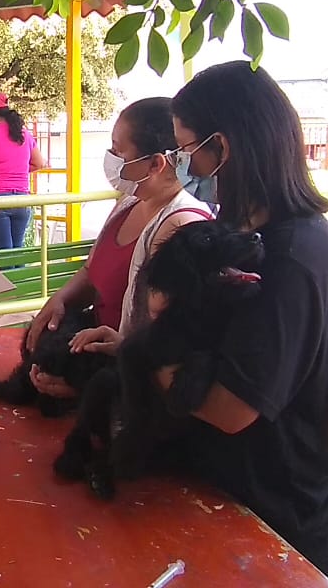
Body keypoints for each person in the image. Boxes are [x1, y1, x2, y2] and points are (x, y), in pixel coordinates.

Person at [165, 62, 328, 585]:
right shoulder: (244, 233)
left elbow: (230, 407)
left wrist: (145, 362)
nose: (185, 165)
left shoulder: (291, 255)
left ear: (223, 148)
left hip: (281, 532)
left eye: (186, 150)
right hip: (230, 506)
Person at [26, 97, 211, 396]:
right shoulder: (129, 202)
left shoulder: (181, 225)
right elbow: (92, 270)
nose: (110, 158)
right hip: (93, 354)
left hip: (130, 379)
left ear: (155, 163)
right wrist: (60, 299)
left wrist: (94, 387)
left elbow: (173, 339)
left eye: (117, 150)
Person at [0, 92, 45, 250]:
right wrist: (16, 170)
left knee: (5, 253)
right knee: (17, 250)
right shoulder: (25, 135)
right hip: (22, 201)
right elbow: (39, 163)